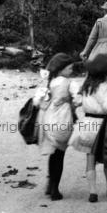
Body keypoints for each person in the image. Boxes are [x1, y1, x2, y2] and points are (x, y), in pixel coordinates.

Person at [68, 54, 107, 202]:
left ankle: (93, 192)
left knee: (90, 158)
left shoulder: (86, 86)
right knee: (106, 157)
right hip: (103, 126)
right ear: (106, 74)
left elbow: (77, 102)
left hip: (87, 123)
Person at [33, 53, 77, 200]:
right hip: (63, 120)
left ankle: (50, 185)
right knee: (60, 155)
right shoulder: (69, 83)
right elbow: (79, 99)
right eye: (70, 68)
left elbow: (37, 101)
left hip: (48, 120)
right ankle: (55, 190)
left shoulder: (48, 82)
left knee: (53, 155)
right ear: (62, 69)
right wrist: (69, 101)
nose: (72, 70)